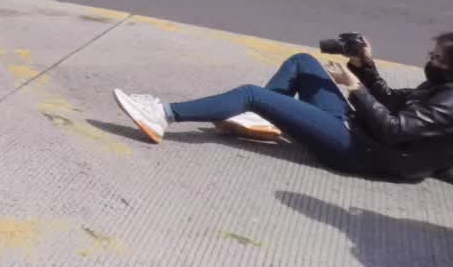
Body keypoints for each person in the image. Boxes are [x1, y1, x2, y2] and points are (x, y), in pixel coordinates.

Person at [114, 33, 453, 181]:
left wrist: (355, 88)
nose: (430, 61)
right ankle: (254, 118)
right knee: (304, 61)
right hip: (360, 131)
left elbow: (395, 129)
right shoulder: (441, 86)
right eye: (432, 55)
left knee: (251, 93)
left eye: (437, 59)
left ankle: (162, 115)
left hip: (361, 152)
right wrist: (365, 64)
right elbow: (395, 102)